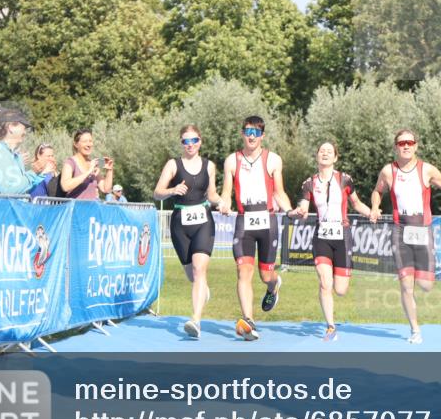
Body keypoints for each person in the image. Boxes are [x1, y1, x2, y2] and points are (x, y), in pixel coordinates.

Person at [369, 129, 441, 344]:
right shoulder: (388, 171)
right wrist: (374, 206)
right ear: (395, 147)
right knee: (406, 285)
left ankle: (422, 276)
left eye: (410, 142)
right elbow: (377, 191)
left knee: (426, 285)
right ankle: (415, 330)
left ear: (416, 146)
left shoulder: (426, 170)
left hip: (422, 230)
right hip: (400, 231)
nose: (406, 146)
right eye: (402, 143)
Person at [218, 116, 294, 341]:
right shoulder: (232, 160)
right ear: (242, 133)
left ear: (262, 136)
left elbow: (279, 192)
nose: (251, 137)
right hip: (244, 221)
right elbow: (226, 191)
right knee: (243, 271)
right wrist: (224, 202)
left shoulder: (273, 160)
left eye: (256, 133)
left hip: (267, 220)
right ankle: (248, 320)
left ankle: (273, 286)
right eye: (247, 132)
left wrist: (289, 210)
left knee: (265, 275)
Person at [289, 142, 372, 341]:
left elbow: (357, 203)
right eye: (321, 151)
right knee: (325, 282)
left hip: (342, 236)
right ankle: (330, 326)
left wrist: (373, 213)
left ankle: (334, 311)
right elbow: (302, 208)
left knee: (340, 290)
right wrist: (294, 212)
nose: (325, 154)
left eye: (329, 151)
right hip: (322, 236)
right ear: (317, 156)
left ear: (335, 158)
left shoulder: (345, 180)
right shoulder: (309, 183)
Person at [155, 125, 223, 339]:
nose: (190, 144)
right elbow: (157, 193)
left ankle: (195, 320)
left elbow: (211, 194)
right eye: (186, 141)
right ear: (181, 143)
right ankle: (201, 289)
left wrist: (222, 202)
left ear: (200, 141)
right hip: (179, 223)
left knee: (199, 269)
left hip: (203, 220)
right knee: (191, 274)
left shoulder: (209, 166)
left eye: (194, 140)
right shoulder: (173, 165)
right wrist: (172, 190)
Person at [0, 112, 50, 195]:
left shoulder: (16, 156)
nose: (25, 132)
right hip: (2, 207)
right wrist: (33, 172)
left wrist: (40, 173)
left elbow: (22, 188)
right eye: (24, 127)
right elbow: (8, 191)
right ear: (11, 128)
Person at [60, 129, 113, 200]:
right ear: (76, 144)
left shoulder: (93, 163)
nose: (88, 145)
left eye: (90, 141)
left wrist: (110, 170)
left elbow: (105, 189)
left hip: (92, 209)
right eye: (85, 141)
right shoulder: (70, 162)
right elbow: (65, 186)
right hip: (76, 209)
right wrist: (88, 172)